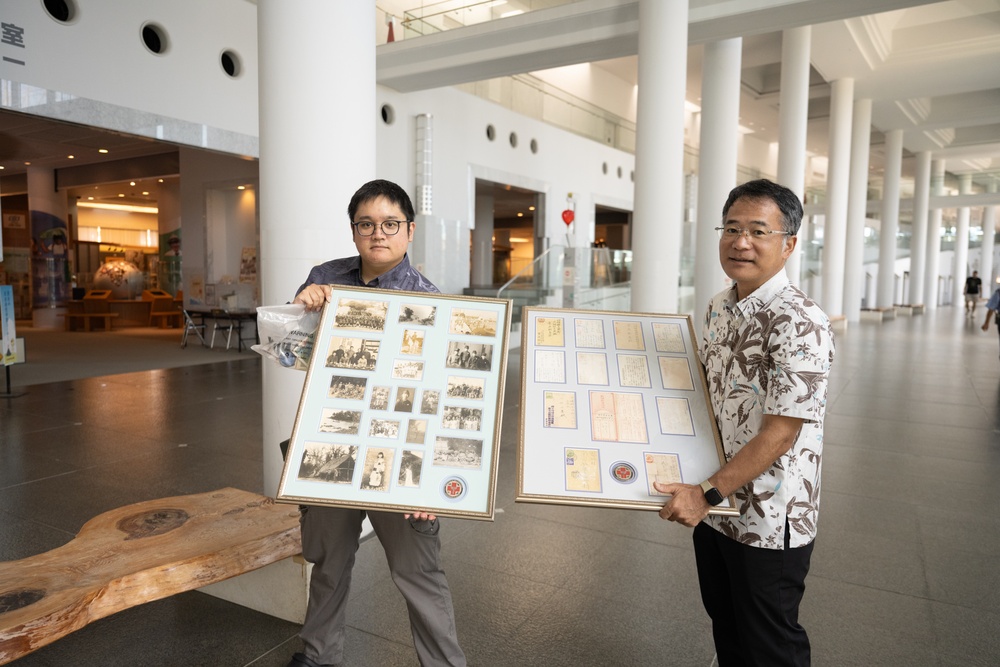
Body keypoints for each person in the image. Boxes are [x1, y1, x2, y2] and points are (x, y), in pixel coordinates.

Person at [654, 179, 835, 667]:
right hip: (717, 510)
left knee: (771, 644)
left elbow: (781, 432)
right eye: (731, 228)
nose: (741, 242)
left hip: (769, 517)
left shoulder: (801, 322)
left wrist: (707, 492)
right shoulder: (718, 306)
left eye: (759, 230)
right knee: (727, 630)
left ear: (789, 244)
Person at [290, 179, 466, 667]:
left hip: (402, 452)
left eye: (390, 224)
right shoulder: (326, 278)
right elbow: (293, 350)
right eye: (366, 224)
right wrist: (303, 307)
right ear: (353, 231)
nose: (378, 234)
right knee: (329, 560)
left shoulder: (431, 301)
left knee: (418, 571)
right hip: (332, 440)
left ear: (410, 231)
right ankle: (319, 654)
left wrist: (432, 478)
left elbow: (448, 396)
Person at [982, 282, 1000, 360]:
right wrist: (986, 322)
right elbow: (991, 308)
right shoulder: (998, 293)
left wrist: (986, 322)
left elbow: (991, 308)